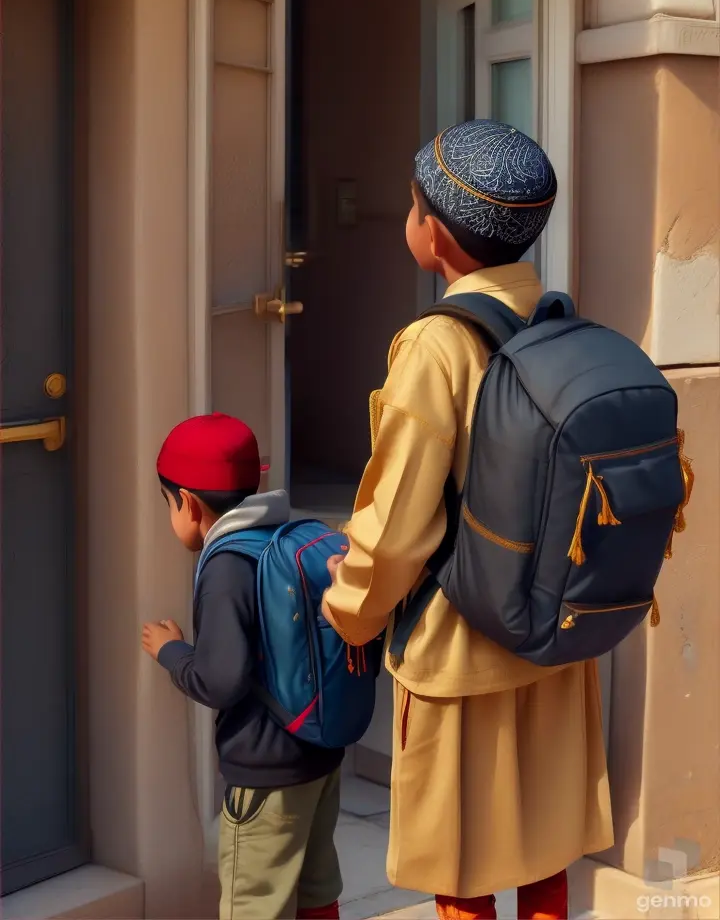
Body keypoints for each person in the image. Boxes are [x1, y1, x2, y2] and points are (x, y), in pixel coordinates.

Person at [321, 120, 614, 920]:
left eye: (414, 206)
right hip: (557, 640)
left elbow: (400, 522)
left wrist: (351, 612)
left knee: (464, 867)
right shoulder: (561, 322)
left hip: (460, 653)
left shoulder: (435, 346)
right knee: (545, 851)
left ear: (436, 234)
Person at [141, 413, 343, 920]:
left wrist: (171, 652)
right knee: (317, 892)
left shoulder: (226, 567)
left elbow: (220, 679)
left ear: (187, 502)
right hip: (321, 756)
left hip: (264, 774)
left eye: (168, 503)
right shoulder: (290, 535)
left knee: (253, 905)